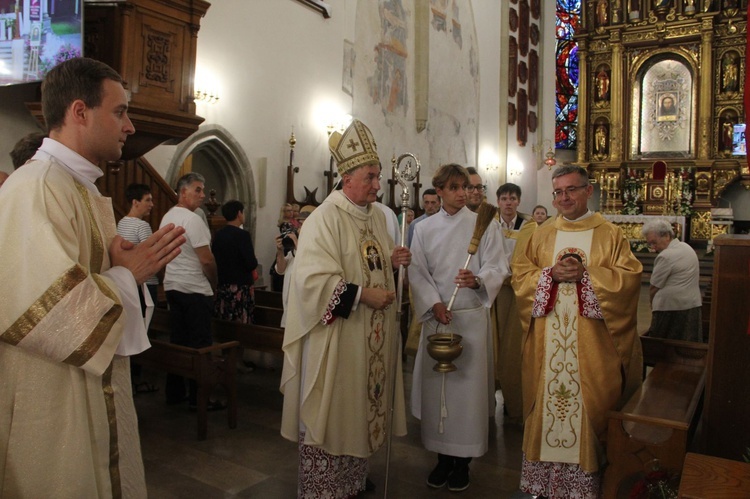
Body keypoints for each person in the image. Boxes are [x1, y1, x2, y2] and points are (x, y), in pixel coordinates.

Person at [0, 57, 186, 497]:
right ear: (79, 112)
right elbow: (40, 311)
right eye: (120, 111)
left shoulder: (80, 186)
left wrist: (116, 262)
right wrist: (126, 275)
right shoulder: (38, 187)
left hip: (86, 382)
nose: (130, 126)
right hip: (53, 395)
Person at [280, 119, 411, 498]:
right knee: (335, 418)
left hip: (367, 341)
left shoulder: (372, 217)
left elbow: (369, 261)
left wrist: (392, 258)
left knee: (358, 417)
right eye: (370, 177)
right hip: (335, 341)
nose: (376, 184)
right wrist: (361, 296)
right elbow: (310, 282)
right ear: (348, 177)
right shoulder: (325, 218)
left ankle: (350, 487)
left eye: (379, 176)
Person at [512, 165, 643, 498]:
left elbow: (628, 280)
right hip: (547, 347)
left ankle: (581, 487)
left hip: (591, 349)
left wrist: (587, 276)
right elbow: (520, 278)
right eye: (558, 192)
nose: (564, 197)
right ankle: (546, 486)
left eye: (571, 189)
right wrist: (548, 276)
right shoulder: (540, 234)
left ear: (589, 190)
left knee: (586, 413)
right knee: (546, 410)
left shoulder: (610, 234)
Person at [410, 163, 508, 492]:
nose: (461, 193)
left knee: (468, 395)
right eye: (453, 188)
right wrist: (433, 303)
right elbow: (418, 272)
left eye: (464, 187)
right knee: (439, 392)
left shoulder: (483, 223)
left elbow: (498, 266)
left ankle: (463, 463)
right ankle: (441, 459)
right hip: (439, 319)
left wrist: (477, 279)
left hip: (471, 319)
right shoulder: (423, 229)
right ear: (438, 191)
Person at [160, 172, 222, 411]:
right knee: (199, 347)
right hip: (195, 290)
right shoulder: (192, 219)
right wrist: (214, 284)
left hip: (174, 287)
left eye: (203, 190)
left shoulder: (167, 216)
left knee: (179, 343)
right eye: (197, 189)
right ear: (182, 191)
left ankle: (174, 393)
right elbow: (206, 260)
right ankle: (200, 399)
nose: (203, 195)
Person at [492, 183, 535, 426]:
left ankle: (514, 401)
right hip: (493, 289)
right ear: (498, 202)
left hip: (517, 291)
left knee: (512, 346)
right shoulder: (489, 224)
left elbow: (531, 255)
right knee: (492, 343)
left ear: (518, 202)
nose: (508, 203)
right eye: (504, 198)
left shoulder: (529, 227)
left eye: (512, 198)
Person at [117, 183, 161, 394]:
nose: (151, 204)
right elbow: (150, 257)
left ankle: (130, 380)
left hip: (126, 285)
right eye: (148, 200)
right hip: (144, 286)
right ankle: (136, 380)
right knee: (142, 333)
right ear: (135, 202)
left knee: (130, 331)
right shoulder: (142, 226)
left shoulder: (121, 223)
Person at [642, 220, 703, 342]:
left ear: (667, 236)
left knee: (662, 346)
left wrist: (651, 303)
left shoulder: (666, 256)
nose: (653, 248)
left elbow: (654, 287)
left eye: (654, 243)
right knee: (687, 343)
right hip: (692, 305)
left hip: (670, 308)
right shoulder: (686, 247)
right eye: (650, 244)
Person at [212, 200, 258, 324]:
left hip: (223, 285)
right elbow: (251, 263)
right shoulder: (243, 235)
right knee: (241, 322)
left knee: (225, 320)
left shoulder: (218, 235)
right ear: (239, 213)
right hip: (240, 287)